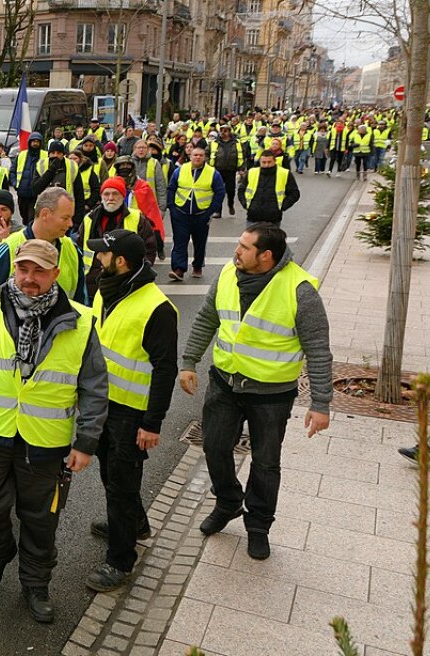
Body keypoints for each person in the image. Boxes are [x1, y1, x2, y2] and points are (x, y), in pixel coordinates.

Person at [0, 238, 108, 624]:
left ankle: (36, 583)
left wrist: (86, 441)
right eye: (23, 269)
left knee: (41, 518)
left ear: (56, 274)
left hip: (46, 439)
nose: (29, 278)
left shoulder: (80, 320)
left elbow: (94, 385)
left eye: (39, 271)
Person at [178, 223, 332, 560]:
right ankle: (228, 501)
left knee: (265, 462)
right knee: (215, 447)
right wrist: (189, 361)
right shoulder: (227, 275)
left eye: (245, 247)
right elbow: (207, 318)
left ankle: (259, 526)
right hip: (225, 383)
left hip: (271, 395)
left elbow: (319, 350)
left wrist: (321, 403)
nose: (237, 251)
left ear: (266, 256)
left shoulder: (300, 291)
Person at [83, 229, 178, 592]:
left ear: (120, 262)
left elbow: (165, 370)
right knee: (110, 474)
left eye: (103, 255)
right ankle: (135, 524)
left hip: (132, 412)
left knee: (122, 484)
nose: (97, 259)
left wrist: (152, 423)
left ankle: (120, 560)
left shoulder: (157, 308)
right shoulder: (105, 290)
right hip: (104, 403)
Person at [0, 188, 85, 304]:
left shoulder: (72, 249)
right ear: (45, 214)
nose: (70, 224)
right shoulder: (7, 249)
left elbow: (81, 301)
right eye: (65, 218)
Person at [81, 177, 157, 299]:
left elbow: (149, 248)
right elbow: (80, 248)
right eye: (106, 194)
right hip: (93, 282)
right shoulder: (89, 219)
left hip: (126, 281)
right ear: (101, 196)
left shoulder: (137, 218)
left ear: (123, 196)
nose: (110, 198)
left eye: (115, 193)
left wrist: (139, 275)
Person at [166, 145, 225, 281]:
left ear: (205, 157)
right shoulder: (180, 170)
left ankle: (197, 265)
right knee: (180, 241)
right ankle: (179, 269)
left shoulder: (213, 173)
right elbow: (171, 188)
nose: (198, 157)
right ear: (190, 156)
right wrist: (172, 207)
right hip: (180, 213)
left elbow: (220, 193)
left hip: (201, 214)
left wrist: (210, 211)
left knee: (199, 242)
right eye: (195, 155)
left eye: (200, 155)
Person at [238, 152, 300, 226]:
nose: (266, 165)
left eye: (269, 162)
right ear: (260, 161)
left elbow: (294, 193)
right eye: (264, 162)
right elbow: (241, 190)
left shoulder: (285, 173)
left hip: (273, 218)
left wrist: (282, 207)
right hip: (253, 216)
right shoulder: (252, 172)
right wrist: (245, 204)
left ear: (275, 161)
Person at [208, 125, 245, 218]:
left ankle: (230, 204)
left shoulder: (237, 143)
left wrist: (241, 168)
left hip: (231, 170)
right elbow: (207, 154)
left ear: (229, 132)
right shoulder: (214, 143)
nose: (223, 133)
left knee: (230, 190)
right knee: (218, 190)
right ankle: (217, 211)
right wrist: (208, 164)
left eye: (225, 131)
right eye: (221, 130)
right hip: (217, 170)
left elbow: (242, 155)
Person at [10, 132, 46, 224]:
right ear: (29, 142)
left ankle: (31, 230)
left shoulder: (45, 155)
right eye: (33, 141)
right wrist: (15, 183)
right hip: (22, 192)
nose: (35, 143)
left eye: (37, 141)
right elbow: (12, 171)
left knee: (32, 218)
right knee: (24, 216)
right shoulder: (21, 155)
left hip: (37, 194)